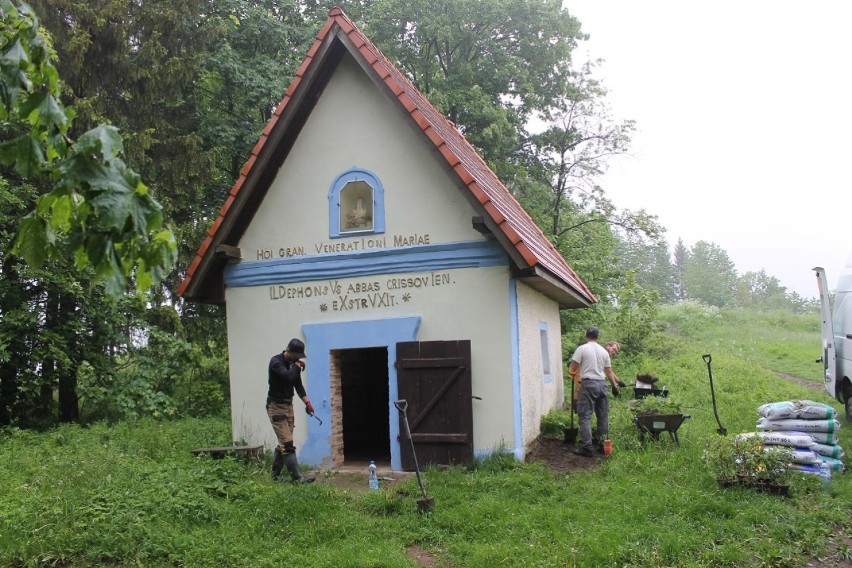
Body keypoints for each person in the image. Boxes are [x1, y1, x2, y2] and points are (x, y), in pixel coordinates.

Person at [568, 328, 624, 457]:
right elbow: (608, 372)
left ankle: (586, 447)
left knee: (585, 416)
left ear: (586, 336)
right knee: (602, 416)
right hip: (602, 385)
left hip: (588, 385)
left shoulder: (581, 349)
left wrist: (570, 366)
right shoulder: (603, 352)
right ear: (598, 338)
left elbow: (573, 368)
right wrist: (615, 387)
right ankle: (601, 444)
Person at [267, 338, 316, 483]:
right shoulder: (276, 362)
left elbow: (297, 385)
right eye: (297, 356)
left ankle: (275, 476)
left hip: (288, 406)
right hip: (276, 407)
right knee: (287, 443)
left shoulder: (292, 365)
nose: (298, 359)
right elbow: (289, 377)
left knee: (284, 442)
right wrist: (296, 365)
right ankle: (298, 478)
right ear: (289, 351)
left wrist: (307, 402)